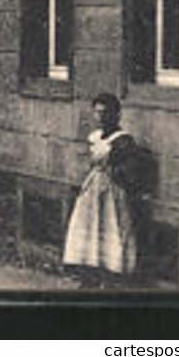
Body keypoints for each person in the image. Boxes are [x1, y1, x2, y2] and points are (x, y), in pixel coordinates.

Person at [63, 92, 141, 285]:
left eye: (105, 113)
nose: (100, 118)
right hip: (93, 187)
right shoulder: (95, 137)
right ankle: (90, 273)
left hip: (112, 191)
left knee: (110, 226)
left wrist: (114, 170)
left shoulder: (123, 140)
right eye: (97, 113)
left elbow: (130, 171)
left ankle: (110, 274)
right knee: (89, 227)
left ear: (116, 115)